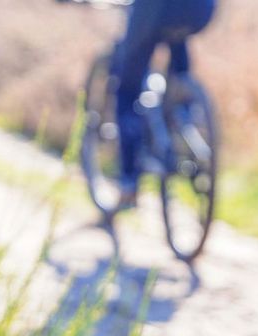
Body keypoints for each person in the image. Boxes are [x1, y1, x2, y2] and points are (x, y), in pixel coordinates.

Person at [92, 0, 217, 209]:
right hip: (201, 9)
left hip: (155, 8)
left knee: (127, 91)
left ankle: (129, 181)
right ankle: (184, 117)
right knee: (178, 52)